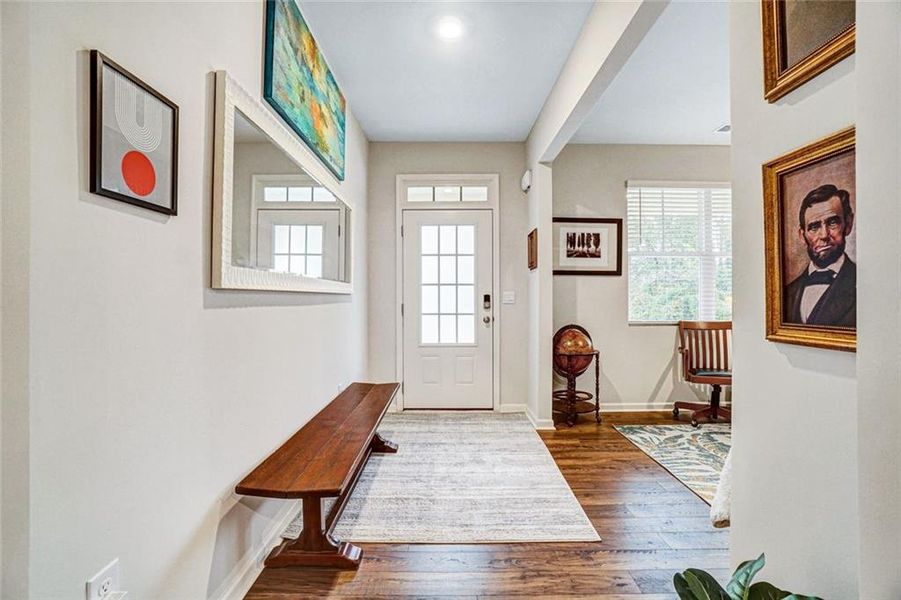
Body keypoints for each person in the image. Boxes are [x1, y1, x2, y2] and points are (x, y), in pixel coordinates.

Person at [784, 184, 856, 327]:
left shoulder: (862, 285)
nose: (824, 235)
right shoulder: (787, 292)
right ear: (802, 235)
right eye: (814, 227)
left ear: (848, 224)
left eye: (833, 223)